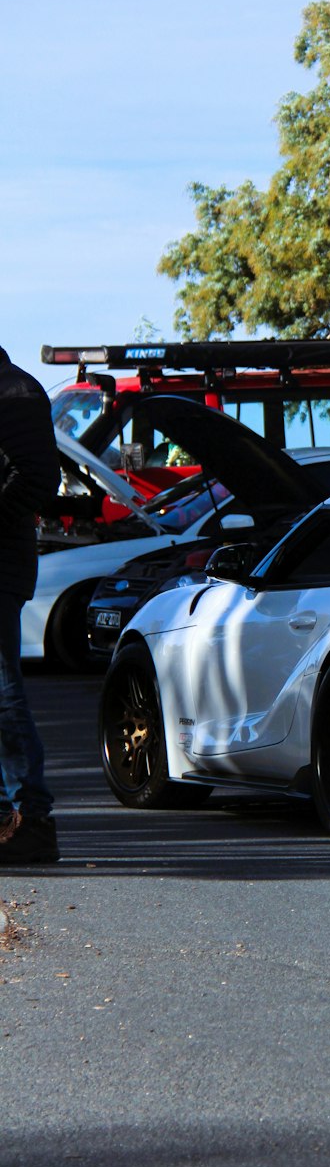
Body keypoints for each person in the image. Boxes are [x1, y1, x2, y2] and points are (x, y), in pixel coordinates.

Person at [0, 345, 62, 863]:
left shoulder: (14, 392)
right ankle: (9, 821)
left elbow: (38, 479)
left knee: (4, 695)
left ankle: (32, 821)